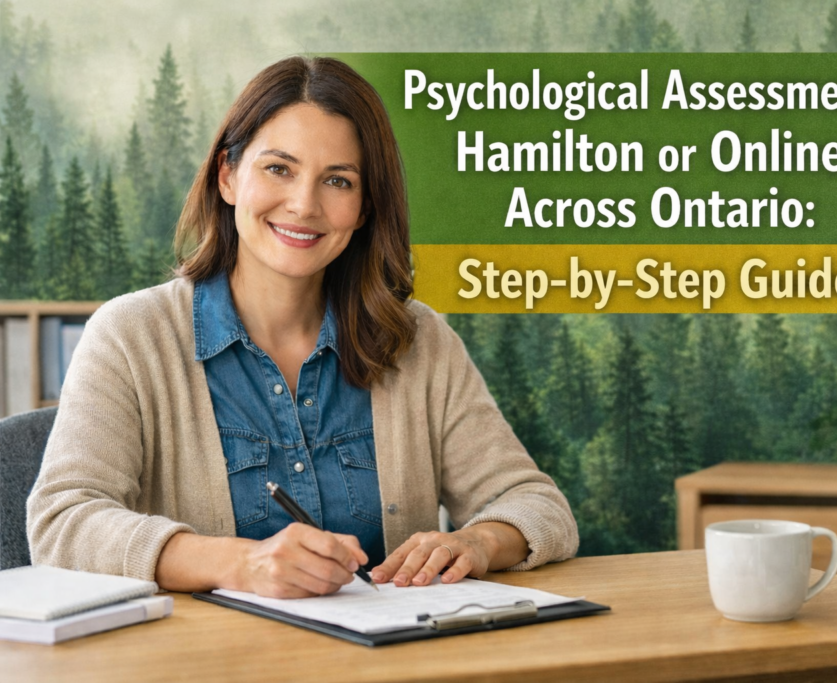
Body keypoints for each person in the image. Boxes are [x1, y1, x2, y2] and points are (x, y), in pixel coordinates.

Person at [27, 56, 578, 599]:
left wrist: (479, 542)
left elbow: (536, 505)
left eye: (338, 181)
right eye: (278, 169)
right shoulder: (129, 336)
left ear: (364, 208)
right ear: (228, 176)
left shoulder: (418, 341)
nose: (304, 204)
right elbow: (61, 523)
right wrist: (239, 563)